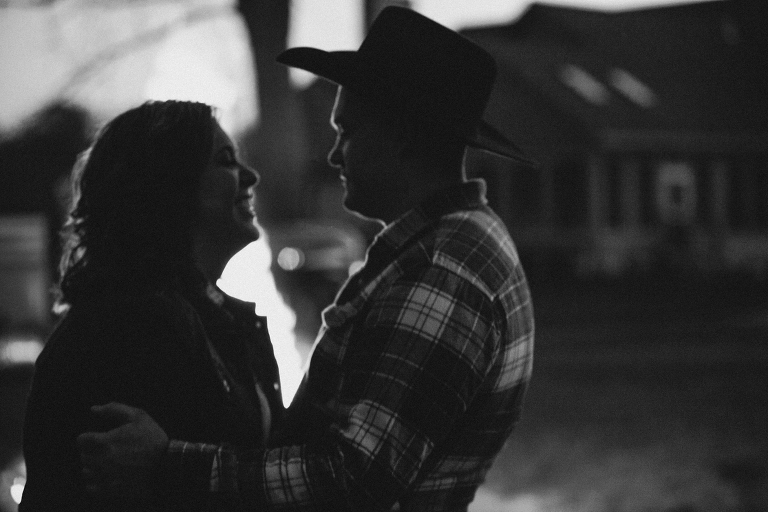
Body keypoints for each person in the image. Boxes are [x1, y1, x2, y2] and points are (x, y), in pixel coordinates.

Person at [77, 7, 535, 511]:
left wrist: (168, 463)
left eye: (348, 131)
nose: (335, 154)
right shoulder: (443, 248)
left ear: (403, 140)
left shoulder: (442, 272)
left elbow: (353, 478)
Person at [20, 100, 283, 511]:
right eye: (226, 161)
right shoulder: (130, 326)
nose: (251, 177)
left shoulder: (220, 318)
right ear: (170, 183)